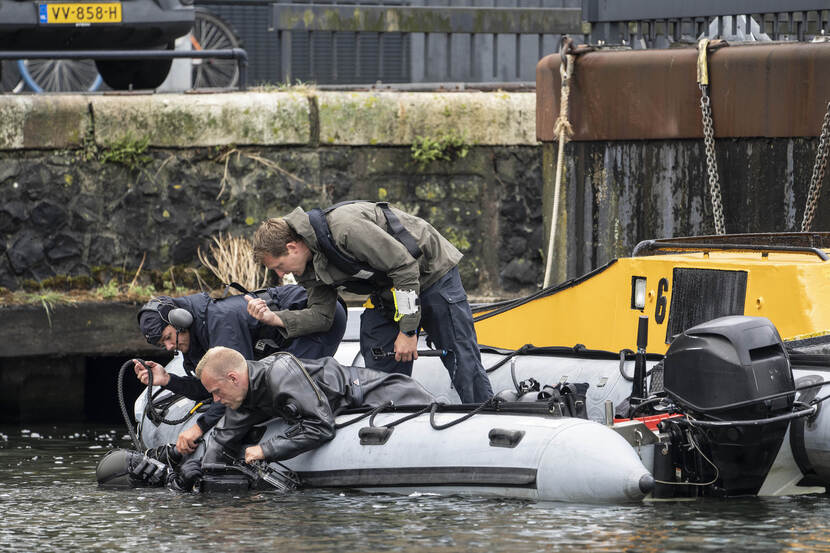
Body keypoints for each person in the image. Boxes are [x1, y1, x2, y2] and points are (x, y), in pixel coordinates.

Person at [247, 200, 493, 403]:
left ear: (292, 247)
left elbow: (404, 267)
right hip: (388, 291)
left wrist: (408, 331)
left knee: (462, 359)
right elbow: (322, 316)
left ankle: (482, 415)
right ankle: (392, 423)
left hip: (432, 275)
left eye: (279, 266)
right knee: (378, 360)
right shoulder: (308, 267)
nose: (281, 274)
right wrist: (275, 318)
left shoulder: (346, 229)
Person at [134, 285, 347, 455]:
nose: (169, 347)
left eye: (168, 338)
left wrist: (199, 428)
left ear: (181, 320)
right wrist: (167, 379)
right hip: (280, 340)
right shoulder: (194, 339)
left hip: (313, 321)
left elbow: (235, 387)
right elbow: (210, 390)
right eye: (163, 344)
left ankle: (319, 418)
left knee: (288, 386)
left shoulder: (220, 321)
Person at [197, 346, 435, 464]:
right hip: (362, 407)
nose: (216, 400)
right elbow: (221, 439)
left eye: (216, 391)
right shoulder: (241, 396)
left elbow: (320, 427)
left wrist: (265, 450)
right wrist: (197, 470)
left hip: (389, 394)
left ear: (233, 378)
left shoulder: (279, 372)